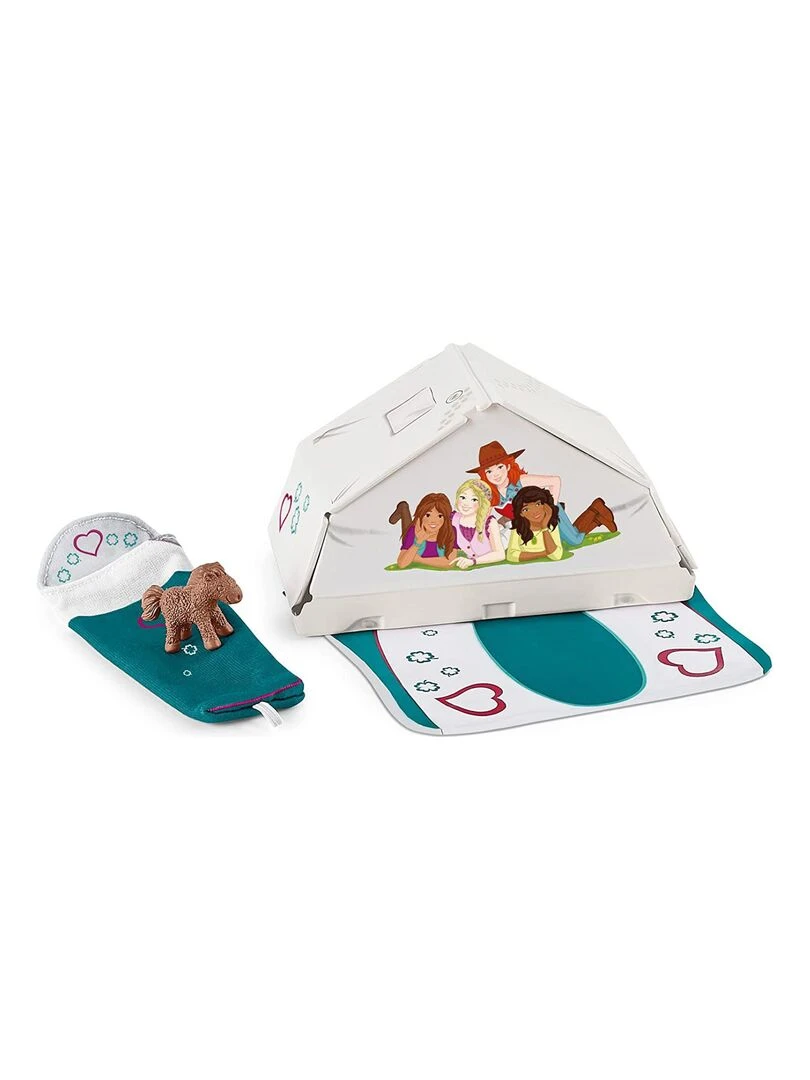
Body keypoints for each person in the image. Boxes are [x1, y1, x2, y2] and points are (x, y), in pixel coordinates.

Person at [468, 440, 616, 546]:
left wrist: (552, 508)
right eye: (489, 471)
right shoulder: (491, 494)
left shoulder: (521, 481)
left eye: (499, 467)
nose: (495, 474)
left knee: (574, 541)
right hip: (530, 523)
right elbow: (487, 518)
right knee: (558, 541)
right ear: (484, 475)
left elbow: (555, 481)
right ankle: (596, 513)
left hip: (547, 511)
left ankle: (596, 512)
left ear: (507, 466)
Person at [390, 493, 460, 569]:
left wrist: (419, 559)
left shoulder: (451, 531)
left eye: (440, 516)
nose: (433, 521)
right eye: (428, 515)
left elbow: (450, 562)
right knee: (407, 529)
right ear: (421, 515)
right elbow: (402, 563)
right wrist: (417, 542)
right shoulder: (413, 531)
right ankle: (403, 508)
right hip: (415, 532)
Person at [451, 479, 505, 568]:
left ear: (482, 503)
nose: (466, 503)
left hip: (503, 537)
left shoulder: (490, 522)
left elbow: (500, 554)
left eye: (474, 499)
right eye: (463, 497)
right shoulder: (453, 518)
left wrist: (473, 561)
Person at [506, 486, 564, 563]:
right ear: (521, 513)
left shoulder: (551, 526)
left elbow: (556, 556)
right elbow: (511, 556)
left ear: (546, 505)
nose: (534, 512)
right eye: (526, 509)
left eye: (538, 504)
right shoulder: (518, 529)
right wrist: (543, 553)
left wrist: (544, 527)